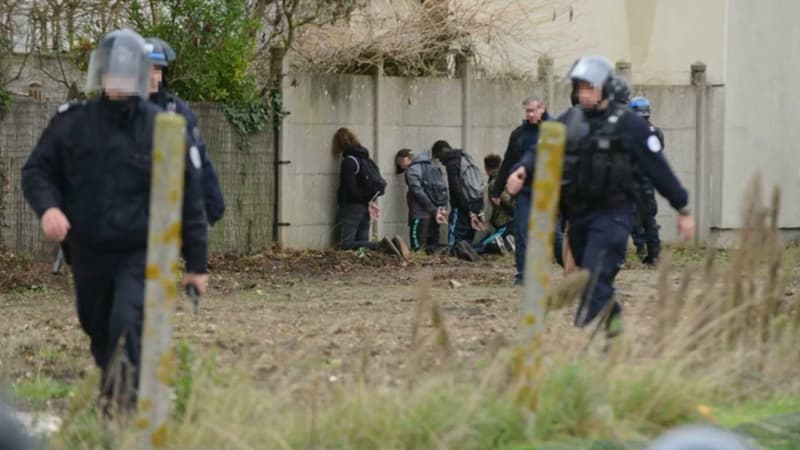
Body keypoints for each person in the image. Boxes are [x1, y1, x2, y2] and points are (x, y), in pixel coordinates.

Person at [21, 29, 209, 410]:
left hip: (141, 253)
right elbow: (36, 171)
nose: (118, 80)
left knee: (126, 322)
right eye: (112, 72)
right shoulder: (72, 124)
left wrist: (197, 264)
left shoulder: (162, 128)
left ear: (141, 76)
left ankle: (123, 408)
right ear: (101, 75)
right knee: (99, 329)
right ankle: (119, 395)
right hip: (88, 254)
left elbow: (190, 198)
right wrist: (49, 208)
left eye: (127, 72)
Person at [507, 55, 694, 341]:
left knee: (596, 272)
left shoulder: (629, 124)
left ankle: (590, 331)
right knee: (588, 278)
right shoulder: (572, 119)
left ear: (605, 88)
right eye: (580, 88)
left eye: (589, 88)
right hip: (579, 216)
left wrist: (681, 207)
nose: (583, 94)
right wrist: (522, 170)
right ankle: (613, 329)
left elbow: (658, 168)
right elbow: (544, 147)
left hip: (614, 214)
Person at [145, 37, 226, 226]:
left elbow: (197, 156)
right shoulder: (119, 110)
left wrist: (212, 202)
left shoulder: (176, 110)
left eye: (156, 69)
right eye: (146, 68)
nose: (151, 76)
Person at [502, 100, 564, 284]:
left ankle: (571, 267)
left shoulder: (554, 129)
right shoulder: (521, 133)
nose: (529, 114)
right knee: (521, 233)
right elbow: (509, 161)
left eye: (533, 111)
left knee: (554, 235)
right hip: (526, 191)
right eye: (527, 111)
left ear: (542, 109)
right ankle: (522, 275)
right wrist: (498, 190)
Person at [333, 128, 409, 260]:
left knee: (345, 244)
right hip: (366, 207)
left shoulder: (349, 161)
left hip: (352, 207)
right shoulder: (365, 158)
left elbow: (350, 189)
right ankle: (389, 245)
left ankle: (382, 245)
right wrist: (366, 201)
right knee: (362, 245)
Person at [433, 140, 485, 261]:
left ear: (443, 151)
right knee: (469, 233)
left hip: (461, 205)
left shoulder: (452, 163)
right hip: (475, 200)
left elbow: (455, 189)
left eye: (439, 157)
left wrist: (461, 207)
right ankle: (467, 256)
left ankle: (454, 256)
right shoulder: (465, 158)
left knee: (456, 233)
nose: (440, 161)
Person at [629, 96, 664, 265]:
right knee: (649, 219)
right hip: (648, 181)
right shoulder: (656, 132)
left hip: (631, 180)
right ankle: (654, 255)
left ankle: (638, 248)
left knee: (628, 217)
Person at [395, 148, 449, 254]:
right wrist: (439, 210)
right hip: (435, 215)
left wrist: (433, 209)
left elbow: (417, 191)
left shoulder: (412, 169)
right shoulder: (432, 166)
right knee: (432, 248)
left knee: (418, 249)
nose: (400, 166)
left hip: (420, 215)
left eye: (399, 162)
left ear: (405, 159)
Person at [474, 154, 513, 254]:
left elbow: (508, 201)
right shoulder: (506, 178)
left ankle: (509, 245)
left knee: (484, 245)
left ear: (486, 168)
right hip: (508, 223)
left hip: (506, 223)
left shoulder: (496, 183)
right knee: (484, 242)